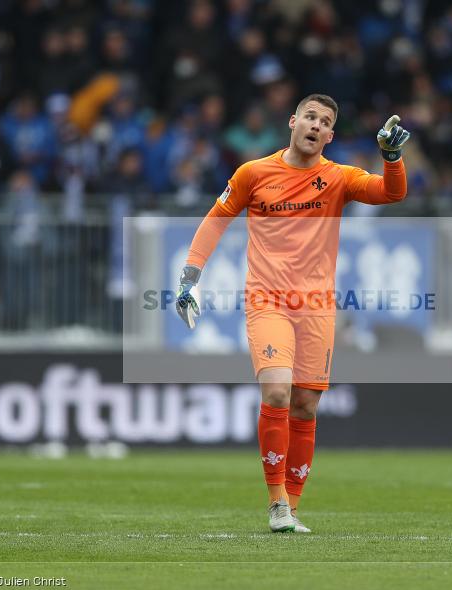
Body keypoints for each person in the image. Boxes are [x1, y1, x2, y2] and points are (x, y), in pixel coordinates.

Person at [173, 94, 410, 532]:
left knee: (305, 404)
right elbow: (215, 220)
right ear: (292, 121)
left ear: (331, 135)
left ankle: (293, 507)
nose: (316, 125)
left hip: (317, 306)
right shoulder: (254, 173)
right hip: (268, 300)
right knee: (278, 391)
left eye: (325, 121)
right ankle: (277, 502)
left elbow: (390, 193)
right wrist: (190, 278)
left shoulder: (339, 177)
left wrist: (392, 158)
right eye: (310, 117)